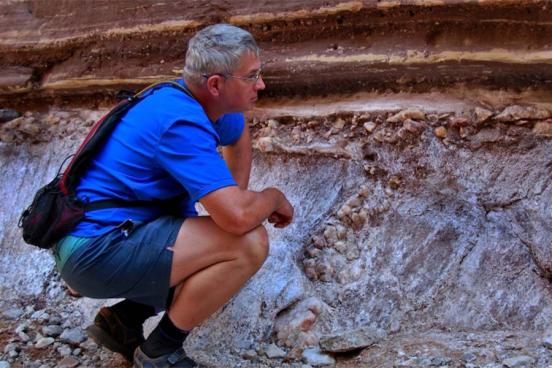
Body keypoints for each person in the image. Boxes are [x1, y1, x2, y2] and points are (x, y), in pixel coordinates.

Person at [52, 23, 294, 368]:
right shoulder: (179, 122)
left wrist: (235, 196)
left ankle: (123, 321)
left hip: (100, 237)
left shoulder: (191, 100)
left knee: (228, 240)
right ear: (215, 84)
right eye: (251, 76)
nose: (261, 84)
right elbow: (239, 219)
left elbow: (237, 135)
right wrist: (271, 197)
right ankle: (161, 351)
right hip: (95, 249)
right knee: (249, 243)